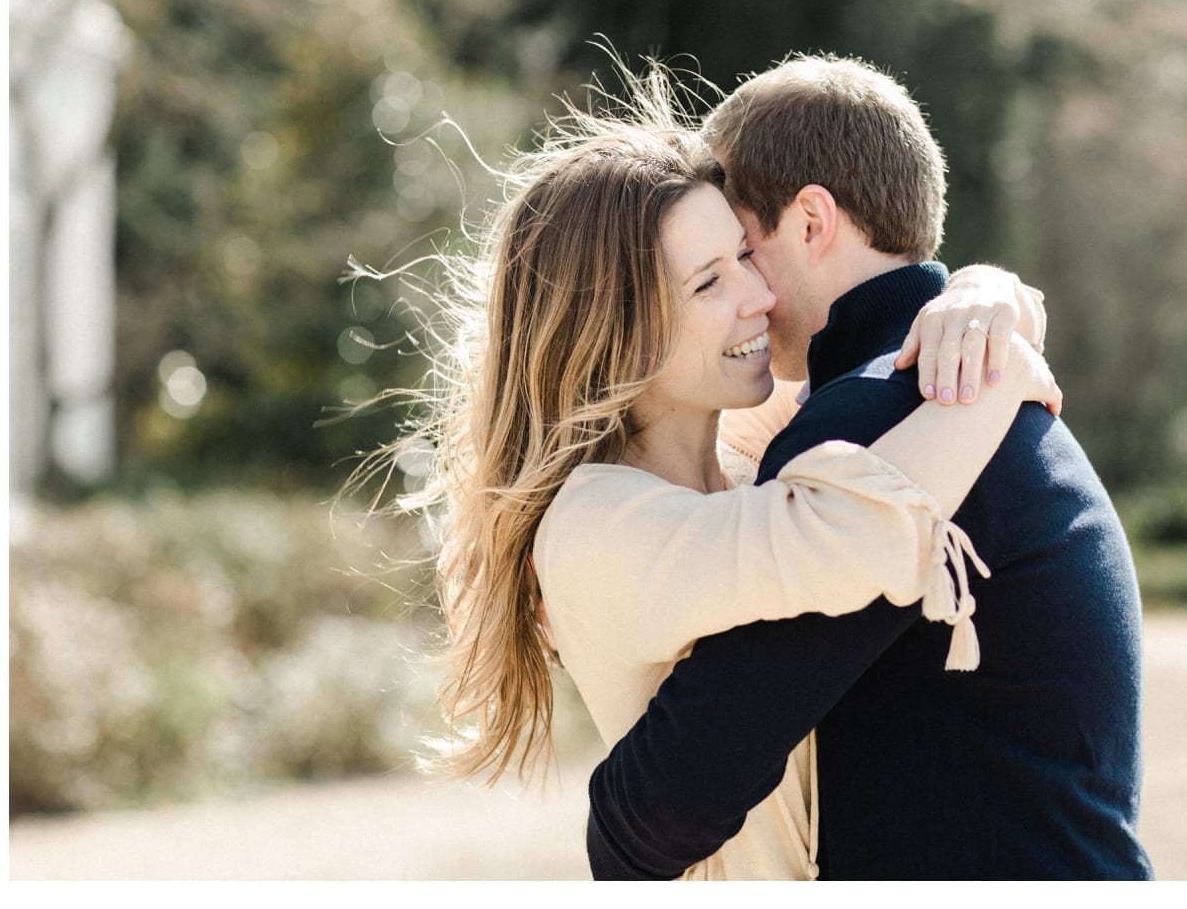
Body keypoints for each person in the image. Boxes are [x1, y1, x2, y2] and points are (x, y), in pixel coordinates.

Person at [396, 64, 1060, 880]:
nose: (757, 294)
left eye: (746, 254)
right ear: (618, 330)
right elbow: (848, 536)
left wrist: (990, 295)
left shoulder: (744, 468)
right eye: (710, 279)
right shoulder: (593, 523)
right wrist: (995, 376)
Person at [585, 55, 1154, 880]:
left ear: (812, 220)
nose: (743, 291)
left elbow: (666, 804)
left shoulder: (875, 416)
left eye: (743, 250)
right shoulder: (950, 385)